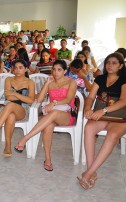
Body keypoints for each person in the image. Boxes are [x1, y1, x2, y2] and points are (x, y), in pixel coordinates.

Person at [15, 60, 77, 171]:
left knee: (53, 113)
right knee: (48, 127)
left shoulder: (71, 82)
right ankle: (48, 159)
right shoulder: (51, 82)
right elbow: (38, 100)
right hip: (52, 114)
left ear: (65, 71)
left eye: (59, 70)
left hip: (67, 115)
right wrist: (47, 83)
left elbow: (68, 99)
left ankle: (25, 138)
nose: (55, 72)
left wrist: (54, 103)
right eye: (54, 69)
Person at [77, 53, 126, 190]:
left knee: (112, 135)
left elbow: (123, 101)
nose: (110, 65)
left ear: (121, 65)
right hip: (101, 116)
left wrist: (103, 111)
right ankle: (91, 171)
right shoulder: (100, 78)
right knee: (88, 128)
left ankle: (88, 174)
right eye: (108, 62)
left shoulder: (124, 80)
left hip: (119, 117)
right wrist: (87, 108)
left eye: (114, 63)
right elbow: (91, 97)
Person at [0, 59, 35, 157]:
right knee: (11, 115)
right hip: (7, 110)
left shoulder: (30, 82)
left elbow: (31, 101)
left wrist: (14, 94)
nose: (17, 70)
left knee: (10, 105)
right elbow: (8, 97)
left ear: (26, 69)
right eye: (15, 68)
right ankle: (7, 147)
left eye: (20, 68)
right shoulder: (9, 80)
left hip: (22, 110)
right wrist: (21, 97)